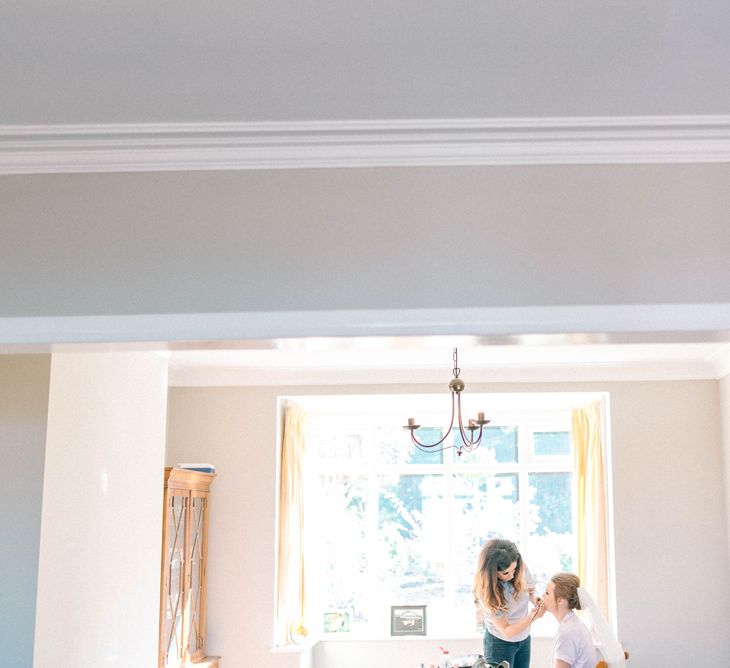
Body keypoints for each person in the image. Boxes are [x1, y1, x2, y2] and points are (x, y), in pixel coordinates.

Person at [473, 538, 544, 668]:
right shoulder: (487, 594)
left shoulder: (517, 565)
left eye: (514, 569)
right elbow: (507, 630)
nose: (512, 575)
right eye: (505, 573)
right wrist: (533, 617)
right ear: (492, 572)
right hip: (499, 643)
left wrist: (534, 599)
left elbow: (530, 588)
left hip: (524, 638)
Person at [542, 573, 598, 668]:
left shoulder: (566, 632)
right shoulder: (574, 624)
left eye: (547, 593)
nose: (543, 596)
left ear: (560, 600)